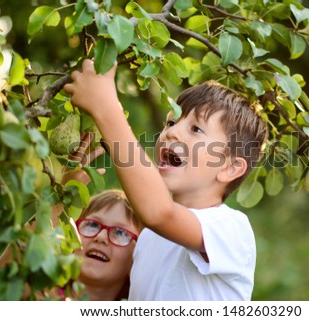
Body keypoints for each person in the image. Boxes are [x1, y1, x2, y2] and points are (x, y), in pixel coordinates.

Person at [63, 59, 268, 300]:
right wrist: (64, 193)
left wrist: (107, 110)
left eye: (196, 129)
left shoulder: (230, 228)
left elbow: (160, 212)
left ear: (230, 168)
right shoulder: (149, 237)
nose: (171, 132)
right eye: (171, 122)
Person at [0, 133, 141, 301]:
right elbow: (8, 270)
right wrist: (60, 198)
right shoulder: (45, 293)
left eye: (120, 232)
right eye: (92, 225)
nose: (101, 237)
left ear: (138, 255)